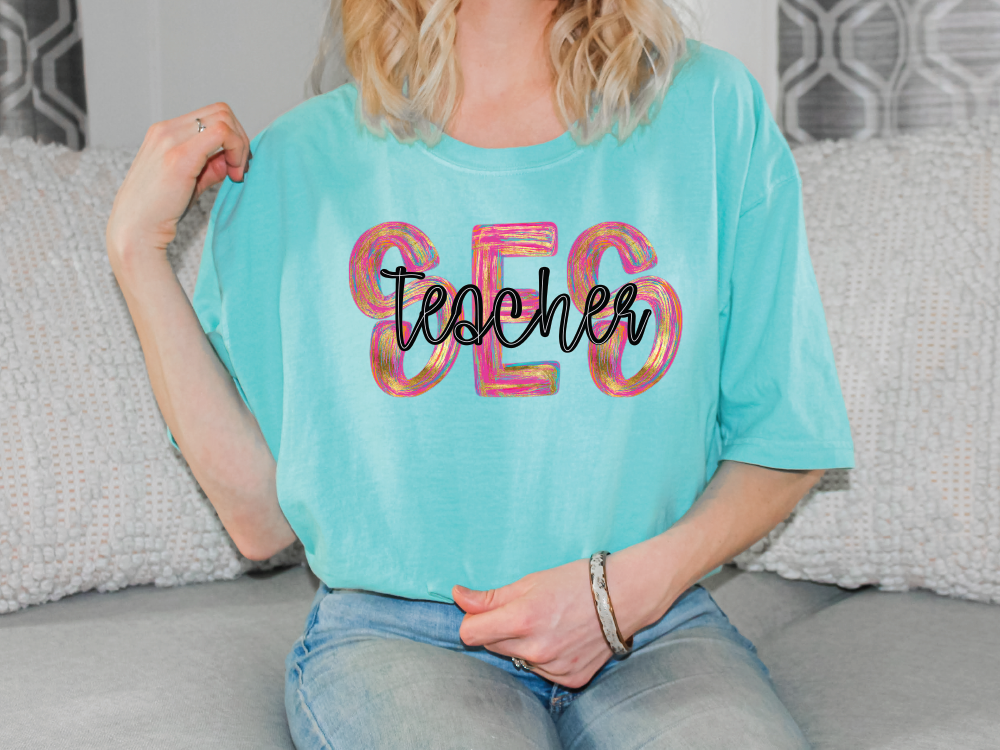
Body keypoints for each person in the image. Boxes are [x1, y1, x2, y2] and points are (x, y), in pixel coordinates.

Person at [105, 0, 855, 747]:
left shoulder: (712, 112)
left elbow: (785, 436)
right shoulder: (301, 163)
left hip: (652, 623)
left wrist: (616, 595)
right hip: (399, 638)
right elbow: (259, 520)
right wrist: (137, 252)